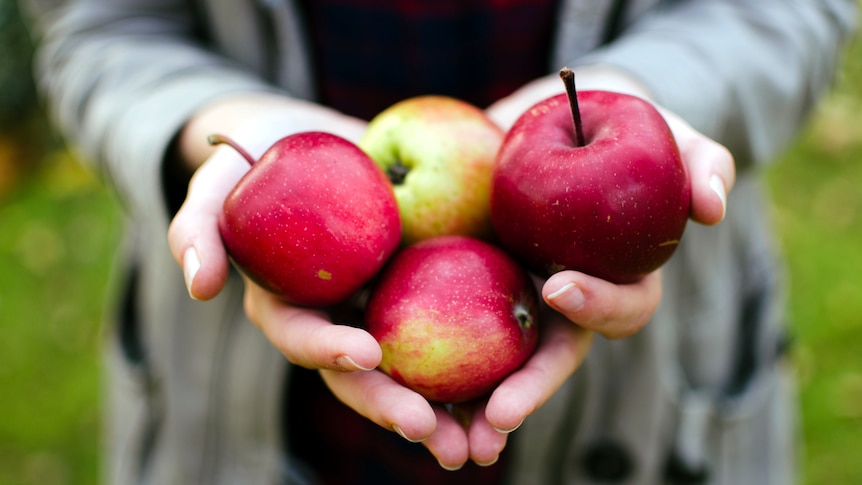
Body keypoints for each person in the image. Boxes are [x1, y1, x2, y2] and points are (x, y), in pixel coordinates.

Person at [22, 0, 856, 483]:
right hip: (242, 402)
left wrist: (646, 93)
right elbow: (101, 27)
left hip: (649, 397)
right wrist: (224, 132)